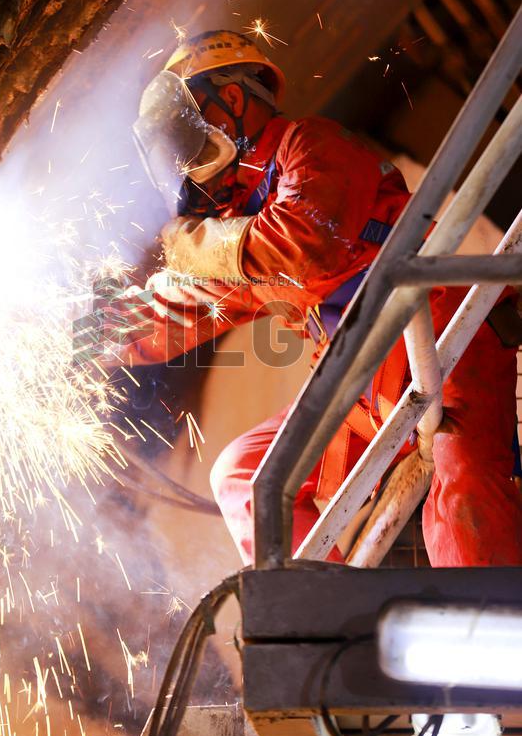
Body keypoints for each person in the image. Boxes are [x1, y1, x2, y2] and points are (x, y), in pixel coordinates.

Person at [108, 29, 522, 567]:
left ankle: (492, 618)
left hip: (442, 334)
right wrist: (80, 337)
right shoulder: (237, 235)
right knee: (246, 477)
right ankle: (328, 613)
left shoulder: (308, 145)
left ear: (231, 99)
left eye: (179, 133)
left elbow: (306, 241)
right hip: (363, 382)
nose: (180, 159)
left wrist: (197, 245)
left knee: (464, 496)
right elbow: (170, 313)